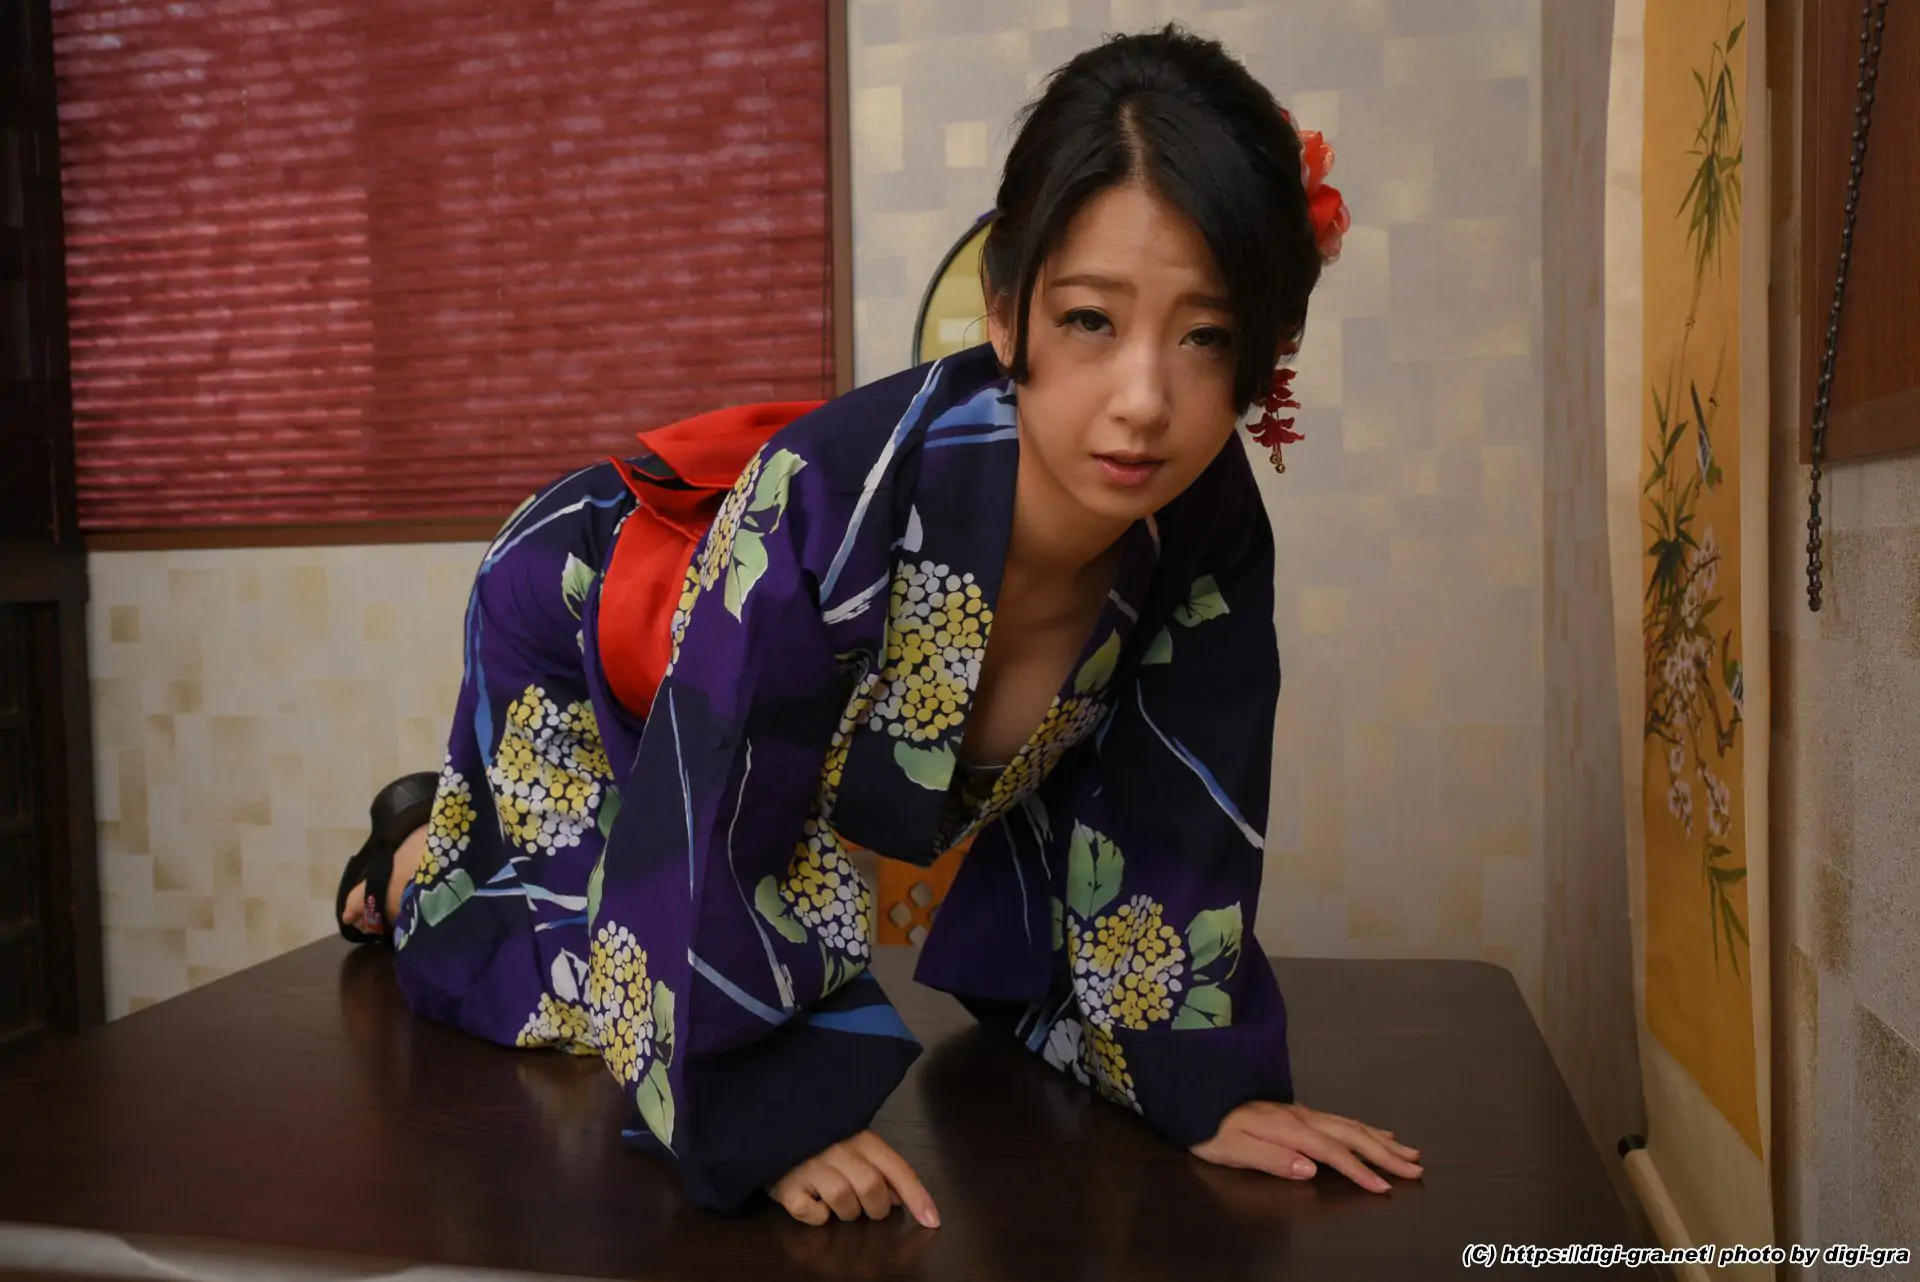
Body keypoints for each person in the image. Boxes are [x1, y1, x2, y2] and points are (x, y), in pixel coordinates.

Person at [334, 22, 1419, 1228]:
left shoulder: (1205, 521)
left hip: (733, 654)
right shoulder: (833, 500)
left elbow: (1175, 806)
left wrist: (1200, 1083)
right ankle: (416, 848)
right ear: (1005, 310)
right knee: (581, 982)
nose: (1145, 400)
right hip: (594, 604)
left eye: (1206, 335)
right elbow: (724, 807)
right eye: (1091, 320)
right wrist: (771, 1103)